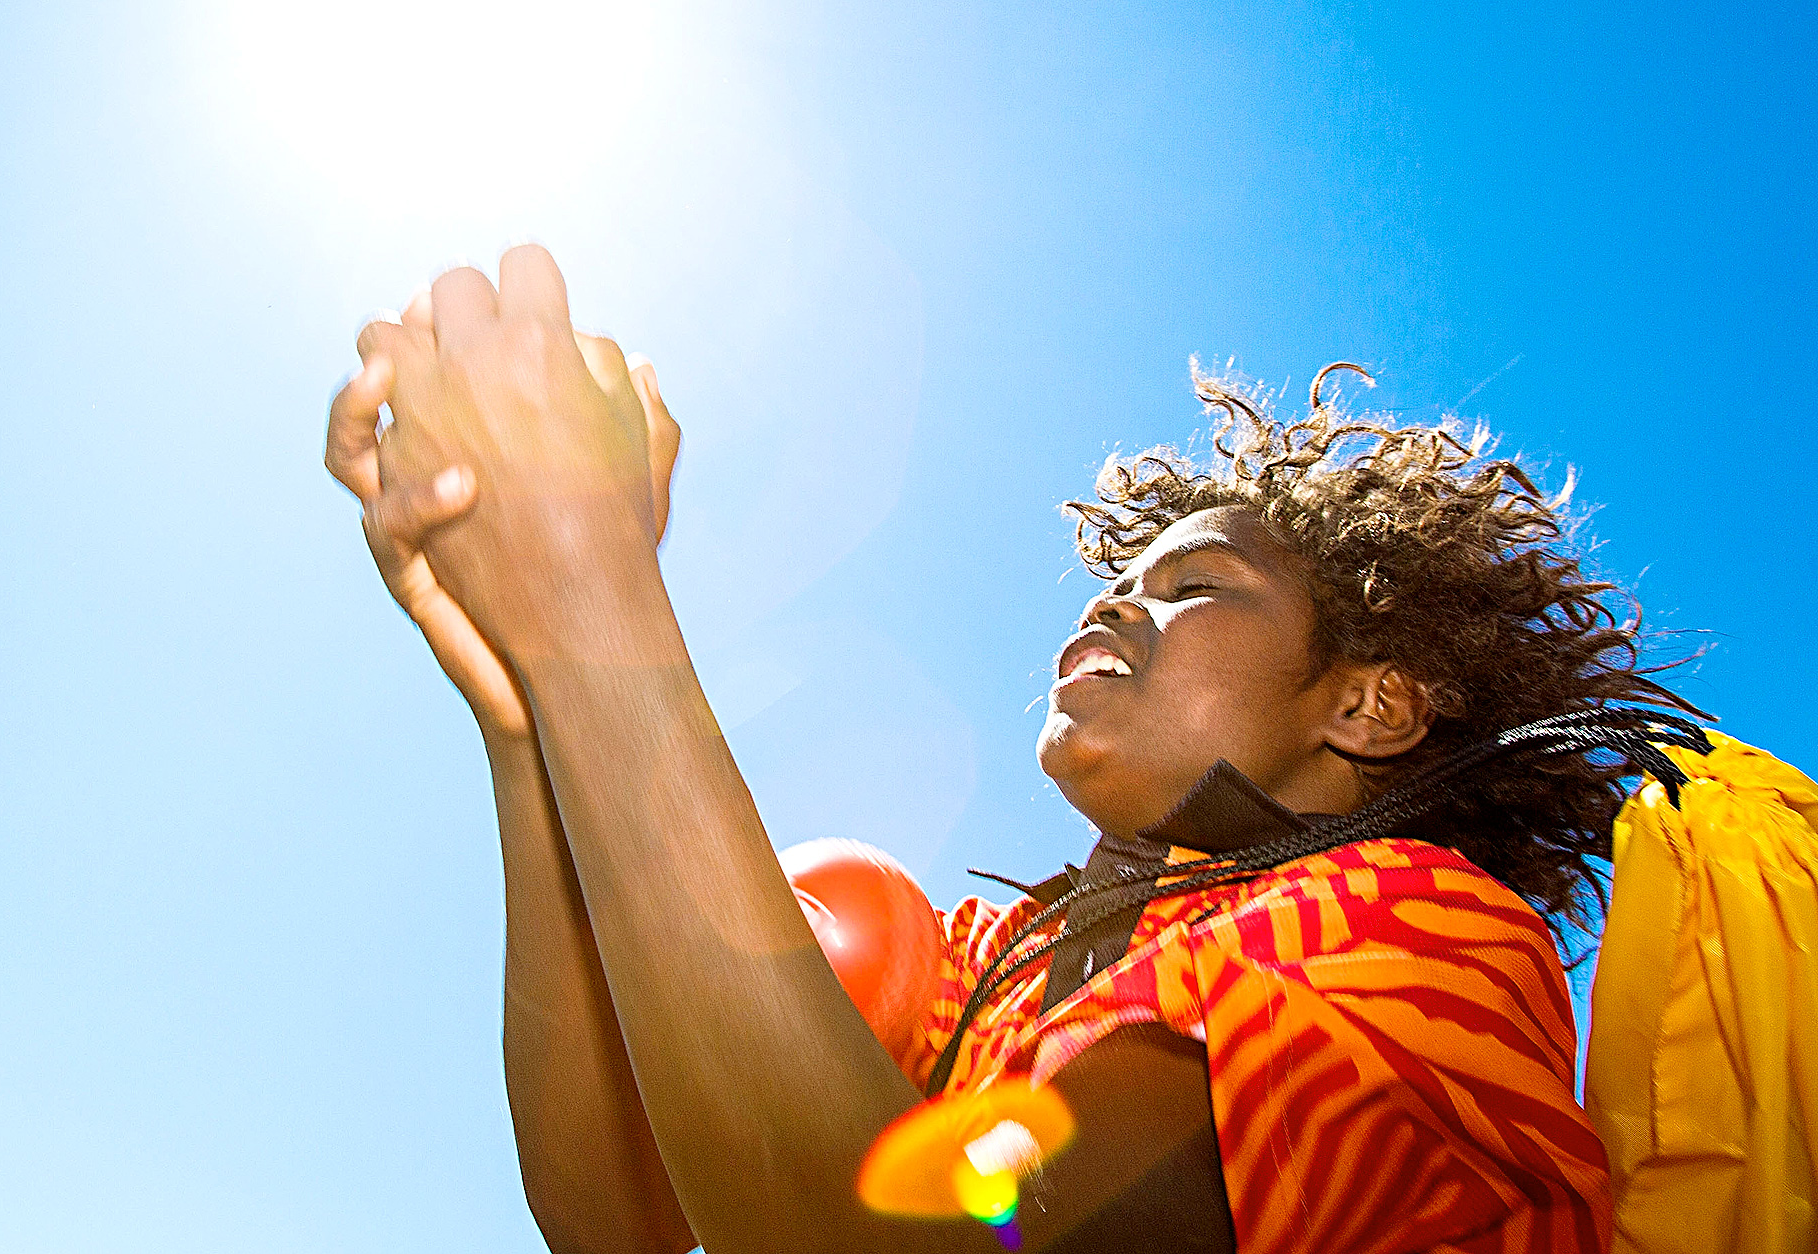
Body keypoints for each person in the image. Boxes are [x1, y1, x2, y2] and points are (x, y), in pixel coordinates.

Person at [323, 245, 1694, 1253]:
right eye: (1120, 579)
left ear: (1368, 706)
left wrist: (586, 588)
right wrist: (532, 718)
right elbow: (609, 1214)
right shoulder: (986, 968)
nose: (1114, 602)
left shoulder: (1425, 940)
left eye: (1196, 581)